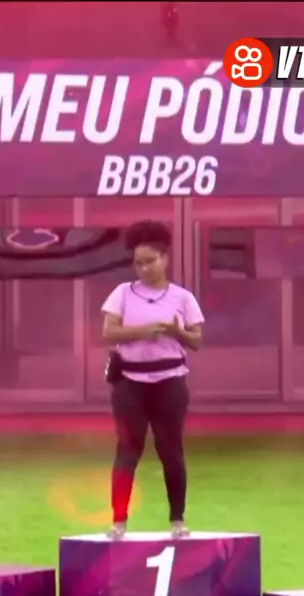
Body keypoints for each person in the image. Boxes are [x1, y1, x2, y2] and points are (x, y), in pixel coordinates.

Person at [101, 220, 205, 539]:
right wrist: (144, 331)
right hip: (130, 382)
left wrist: (175, 331)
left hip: (170, 382)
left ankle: (177, 520)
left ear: (165, 259)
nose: (144, 268)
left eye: (150, 261)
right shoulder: (122, 293)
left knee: (171, 450)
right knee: (127, 450)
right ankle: (118, 521)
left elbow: (196, 340)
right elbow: (109, 332)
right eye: (138, 263)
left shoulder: (182, 298)